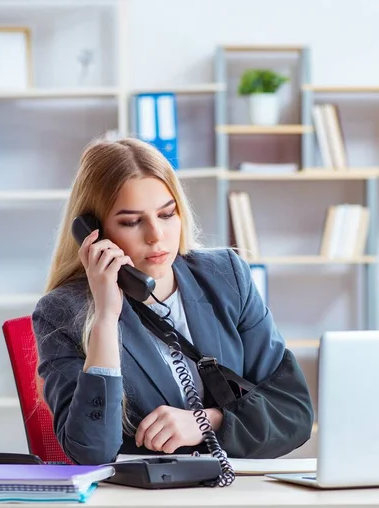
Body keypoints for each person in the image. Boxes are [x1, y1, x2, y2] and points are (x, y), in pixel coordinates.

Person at [32, 137, 314, 465]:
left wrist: (206, 422)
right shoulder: (63, 312)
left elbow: (293, 413)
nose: (156, 235)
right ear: (94, 233)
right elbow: (92, 451)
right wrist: (106, 319)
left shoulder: (225, 276)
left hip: (236, 490)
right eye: (132, 221)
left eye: (167, 214)